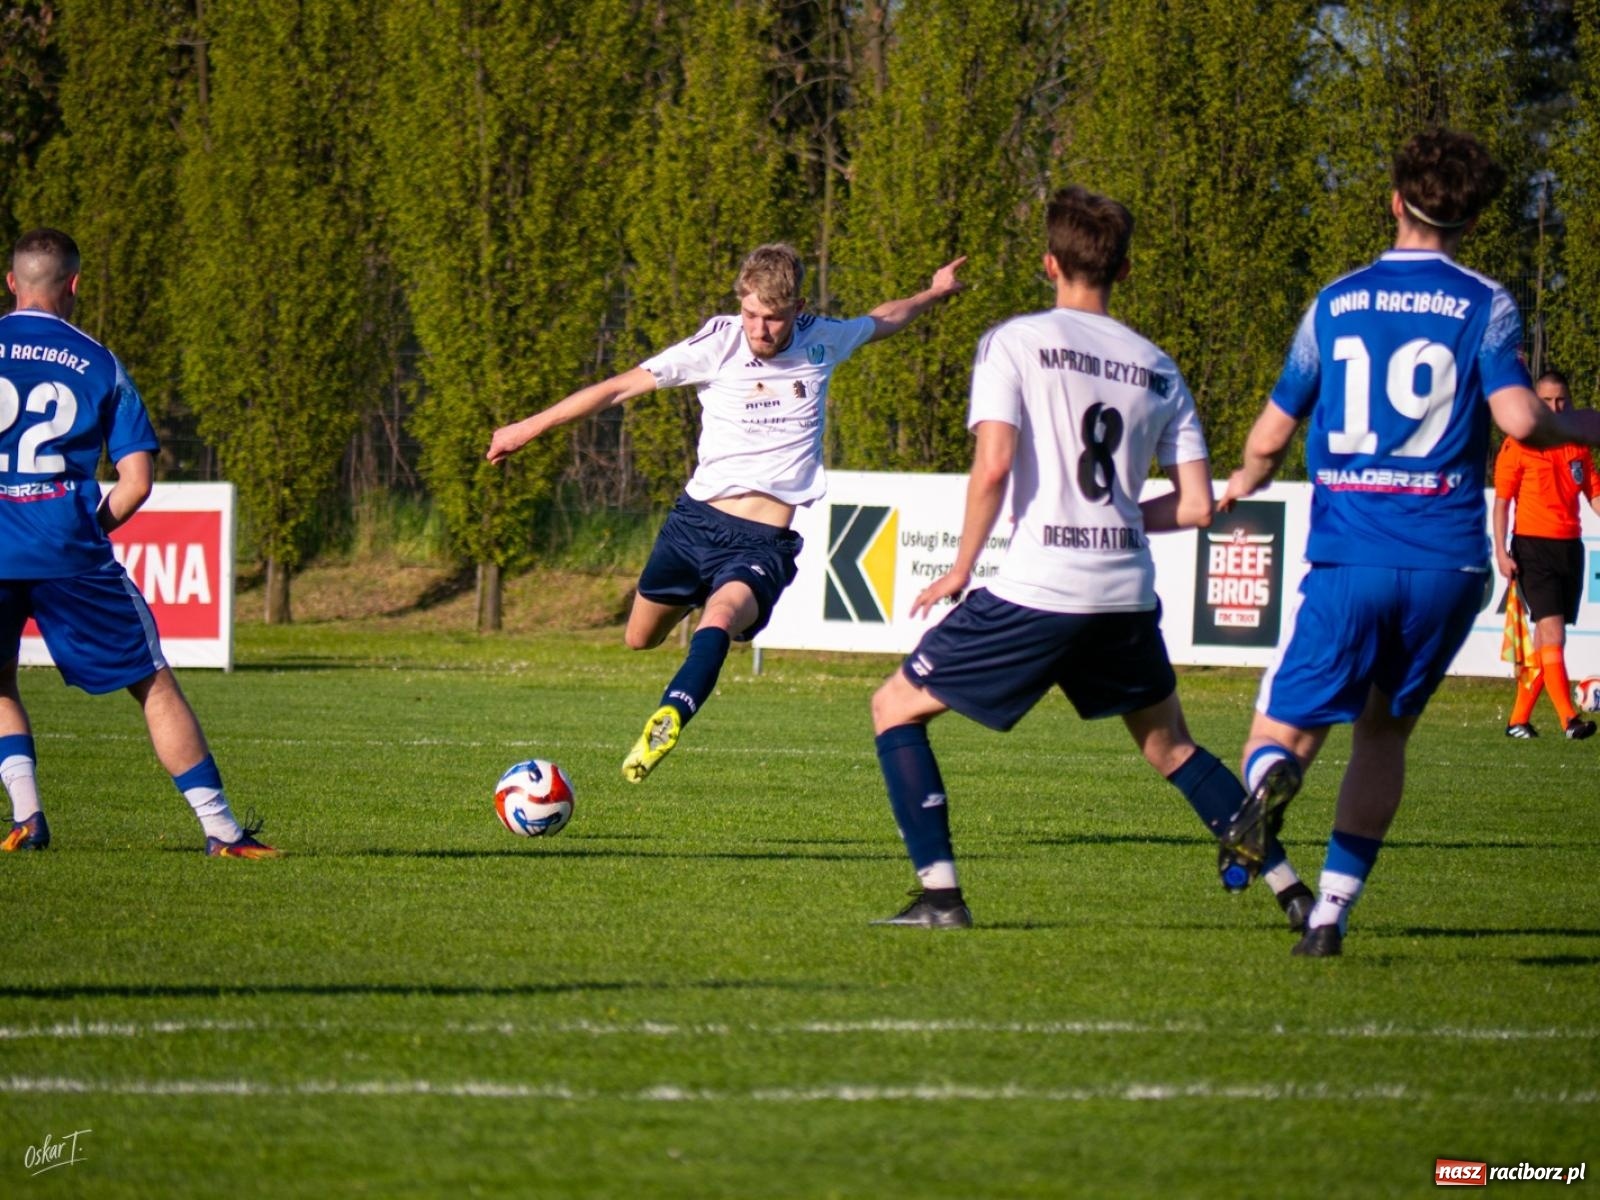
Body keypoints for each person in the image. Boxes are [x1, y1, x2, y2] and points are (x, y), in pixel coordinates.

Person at [866, 186, 1310, 931]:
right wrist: (1112, 517)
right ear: (1124, 270)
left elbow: (995, 466)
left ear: (1049, 264)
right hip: (1125, 592)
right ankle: (1296, 896)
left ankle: (941, 897)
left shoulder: (1013, 341)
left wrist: (962, 565)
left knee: (893, 708)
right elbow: (1198, 506)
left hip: (1040, 586)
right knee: (1171, 747)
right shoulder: (1159, 366)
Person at [1220, 130, 1600, 957]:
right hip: (1446, 563)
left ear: (1395, 201)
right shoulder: (1486, 303)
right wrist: (1586, 425)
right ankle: (1329, 917)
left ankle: (1267, 782)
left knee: (1276, 733)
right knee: (1383, 735)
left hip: (1352, 553)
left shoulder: (1337, 301)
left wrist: (1244, 479)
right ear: (1469, 218)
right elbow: (1522, 420)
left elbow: (1271, 432)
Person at [488, 243, 966, 783]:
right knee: (639, 638)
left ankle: (670, 715)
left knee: (719, 617)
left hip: (761, 541)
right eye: (752, 314)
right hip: (693, 525)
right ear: (741, 303)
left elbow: (882, 319)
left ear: (799, 308)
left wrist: (934, 292)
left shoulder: (823, 339)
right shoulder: (716, 343)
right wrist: (527, 428)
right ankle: (694, 623)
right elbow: (619, 387)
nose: (760, 329)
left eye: (774, 318)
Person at [0, 228, 276, 858]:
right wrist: (82, 528)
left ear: (12, 282)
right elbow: (136, 483)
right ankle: (222, 830)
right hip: (67, 544)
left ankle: (27, 818)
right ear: (73, 284)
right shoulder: (98, 362)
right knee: (152, 682)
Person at [1493, 368, 1599, 740]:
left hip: (1570, 547)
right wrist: (1500, 552)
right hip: (1532, 547)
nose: (1555, 406)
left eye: (1561, 400)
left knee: (1548, 640)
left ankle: (1517, 720)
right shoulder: (1519, 443)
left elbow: (1594, 495)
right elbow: (1502, 503)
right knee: (1551, 632)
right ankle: (1569, 720)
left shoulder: (1577, 445)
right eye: (1547, 401)